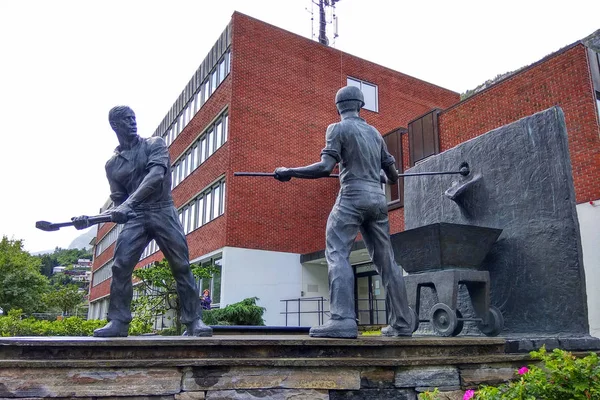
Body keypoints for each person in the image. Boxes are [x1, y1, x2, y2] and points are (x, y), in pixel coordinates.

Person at [274, 86, 413, 338]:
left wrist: (290, 171)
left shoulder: (337, 129)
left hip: (352, 197)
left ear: (339, 107)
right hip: (377, 200)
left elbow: (326, 167)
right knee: (387, 261)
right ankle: (403, 323)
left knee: (337, 253)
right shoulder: (374, 133)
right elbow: (393, 176)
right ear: (360, 105)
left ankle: (342, 319)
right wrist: (379, 174)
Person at [72, 106, 211, 337]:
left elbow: (156, 176)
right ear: (115, 126)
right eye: (126, 120)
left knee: (181, 265)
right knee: (120, 266)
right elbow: (119, 202)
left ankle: (194, 320)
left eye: (133, 118)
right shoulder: (112, 165)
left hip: (162, 210)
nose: (132, 122)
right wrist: (90, 220)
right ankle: (118, 321)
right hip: (136, 217)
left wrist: (128, 205)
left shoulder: (154, 144)